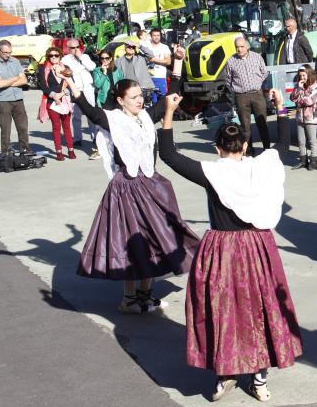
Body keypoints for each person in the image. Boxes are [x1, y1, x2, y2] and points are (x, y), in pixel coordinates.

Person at [158, 90, 303, 402]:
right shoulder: (262, 166)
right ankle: (260, 378)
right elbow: (281, 144)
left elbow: (169, 155)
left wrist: (169, 112)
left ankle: (226, 374)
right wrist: (281, 107)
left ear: (217, 148)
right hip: (258, 247)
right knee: (261, 307)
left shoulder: (213, 172)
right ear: (245, 146)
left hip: (222, 249)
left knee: (223, 308)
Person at [67, 52, 200, 314]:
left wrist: (177, 62)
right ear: (120, 100)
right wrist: (72, 85)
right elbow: (91, 112)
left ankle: (145, 293)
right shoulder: (112, 119)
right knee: (129, 240)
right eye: (134, 97)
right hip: (125, 188)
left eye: (140, 95)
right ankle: (129, 298)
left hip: (150, 186)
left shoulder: (147, 117)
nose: (140, 100)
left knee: (155, 237)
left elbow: (169, 97)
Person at [223, 36, 270, 153]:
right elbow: (228, 79)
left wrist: (257, 83)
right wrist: (236, 89)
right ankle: (248, 149)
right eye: (237, 47)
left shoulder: (256, 57)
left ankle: (267, 148)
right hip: (241, 96)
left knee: (262, 122)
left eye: (242, 46)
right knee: (245, 126)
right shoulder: (231, 61)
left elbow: (264, 72)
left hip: (257, 94)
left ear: (247, 46)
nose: (239, 49)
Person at [0, 40, 30, 159]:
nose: (8, 55)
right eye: (5, 52)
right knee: (6, 129)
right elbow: (0, 84)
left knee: (23, 127)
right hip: (3, 101)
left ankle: (25, 150)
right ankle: (5, 153)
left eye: (10, 52)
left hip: (18, 100)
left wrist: (8, 82)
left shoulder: (15, 61)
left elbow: (24, 81)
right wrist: (16, 78)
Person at [37, 47, 76, 161]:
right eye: (51, 55)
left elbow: (71, 83)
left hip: (65, 100)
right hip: (51, 102)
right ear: (48, 57)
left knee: (67, 127)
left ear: (60, 56)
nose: (53, 57)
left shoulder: (66, 68)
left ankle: (70, 150)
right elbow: (43, 86)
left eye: (56, 55)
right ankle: (58, 151)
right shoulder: (43, 68)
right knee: (56, 127)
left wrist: (62, 93)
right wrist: (54, 96)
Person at [61, 38, 97, 156]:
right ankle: (77, 138)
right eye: (73, 48)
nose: (75, 49)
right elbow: (67, 72)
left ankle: (95, 137)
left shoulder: (85, 56)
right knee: (76, 115)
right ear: (68, 48)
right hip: (75, 88)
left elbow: (92, 67)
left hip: (88, 87)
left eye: (77, 47)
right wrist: (79, 69)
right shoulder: (65, 59)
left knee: (91, 113)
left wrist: (81, 57)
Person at [290, 66, 317, 170]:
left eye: (304, 75)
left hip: (311, 117)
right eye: (300, 76)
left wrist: (299, 100)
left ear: (309, 74)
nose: (302, 78)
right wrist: (299, 89)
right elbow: (292, 98)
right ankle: (303, 160)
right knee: (301, 140)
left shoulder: (315, 86)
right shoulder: (299, 86)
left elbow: (310, 101)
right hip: (300, 117)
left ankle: (314, 160)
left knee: (312, 140)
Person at [141, 28, 171, 104]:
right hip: (147, 78)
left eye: (158, 35)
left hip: (160, 77)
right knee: (150, 101)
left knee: (162, 100)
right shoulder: (146, 46)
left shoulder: (164, 47)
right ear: (151, 36)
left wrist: (154, 60)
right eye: (154, 35)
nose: (157, 37)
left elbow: (168, 61)